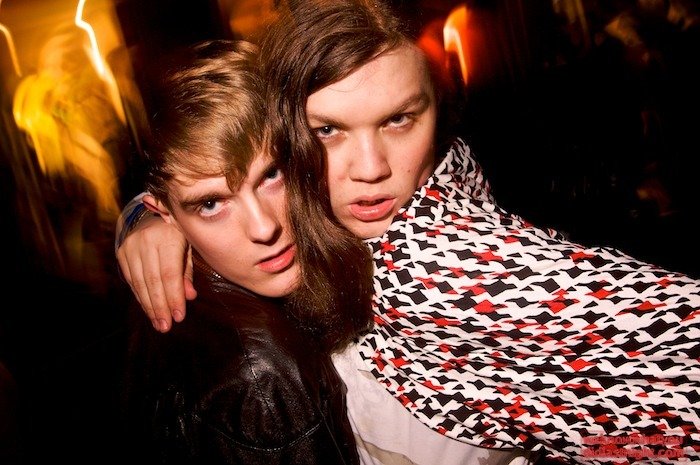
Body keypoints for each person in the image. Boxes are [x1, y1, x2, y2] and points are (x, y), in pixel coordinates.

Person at [117, 1, 700, 463]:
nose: (372, 169)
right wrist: (146, 215)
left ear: (436, 111)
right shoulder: (366, 204)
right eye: (327, 130)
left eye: (399, 119)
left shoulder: (437, 260)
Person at [121, 38, 375, 465]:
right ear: (166, 214)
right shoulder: (262, 381)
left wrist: (132, 218)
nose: (264, 228)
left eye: (271, 175)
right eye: (211, 204)